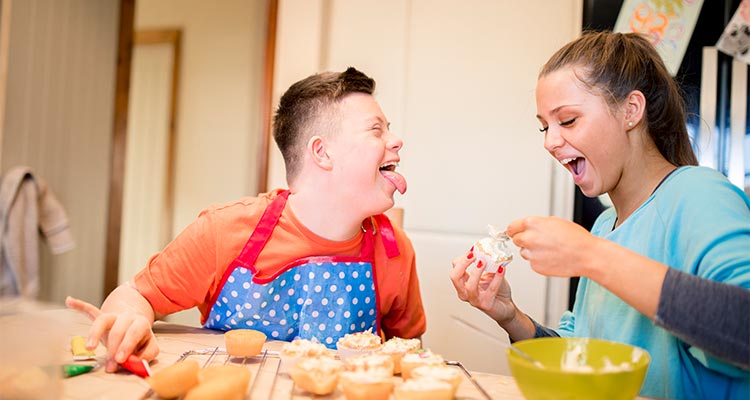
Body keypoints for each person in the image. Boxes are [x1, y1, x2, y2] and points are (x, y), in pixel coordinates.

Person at [450, 31, 750, 399]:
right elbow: (580, 350)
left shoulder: (698, 194)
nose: (549, 142)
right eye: (546, 126)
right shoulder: (605, 226)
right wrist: (510, 316)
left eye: (569, 120)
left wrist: (589, 255)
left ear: (631, 111)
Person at [67, 67, 426, 373]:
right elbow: (134, 295)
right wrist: (131, 318)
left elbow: (407, 352)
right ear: (322, 152)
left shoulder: (395, 250)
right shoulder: (224, 232)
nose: (397, 140)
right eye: (376, 130)